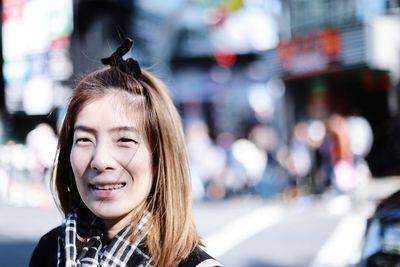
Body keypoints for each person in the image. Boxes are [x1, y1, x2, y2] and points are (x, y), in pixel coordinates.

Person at [29, 38, 222, 267]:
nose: (100, 161)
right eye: (84, 140)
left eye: (124, 140)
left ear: (160, 157)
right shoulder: (50, 251)